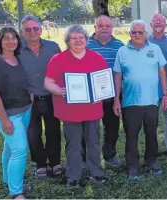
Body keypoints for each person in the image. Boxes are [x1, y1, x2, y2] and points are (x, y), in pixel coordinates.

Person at [44, 25, 108, 188]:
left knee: (93, 142)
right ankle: (73, 176)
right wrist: (57, 90)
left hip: (92, 109)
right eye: (74, 38)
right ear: (68, 41)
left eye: (81, 37)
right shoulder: (58, 59)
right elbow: (47, 82)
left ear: (86, 40)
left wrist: (100, 94)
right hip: (70, 110)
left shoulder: (97, 57)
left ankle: (96, 173)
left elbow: (103, 82)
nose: (78, 41)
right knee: (73, 145)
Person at [113, 20, 167, 180]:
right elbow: (117, 75)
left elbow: (162, 72)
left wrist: (165, 94)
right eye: (134, 32)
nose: (137, 35)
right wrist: (116, 99)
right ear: (130, 34)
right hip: (130, 102)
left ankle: (151, 161)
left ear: (146, 34)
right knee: (131, 136)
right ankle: (132, 167)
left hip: (151, 101)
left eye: (140, 32)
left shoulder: (155, 49)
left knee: (152, 133)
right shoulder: (122, 51)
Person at [0, 27, 32, 199]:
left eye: (14, 38)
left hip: (25, 110)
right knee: (20, 149)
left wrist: (30, 94)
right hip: (9, 114)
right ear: (0, 41)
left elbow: (20, 81)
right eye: (6, 38)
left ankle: (8, 180)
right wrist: (4, 120)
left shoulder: (17, 59)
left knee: (10, 147)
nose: (11, 41)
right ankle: (16, 192)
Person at [18, 15, 63, 179]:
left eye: (35, 28)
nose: (32, 32)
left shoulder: (53, 47)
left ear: (41, 29)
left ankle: (55, 162)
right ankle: (41, 164)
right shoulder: (17, 50)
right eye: (28, 29)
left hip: (52, 97)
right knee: (33, 133)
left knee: (53, 131)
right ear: (22, 32)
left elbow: (62, 68)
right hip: (29, 99)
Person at [86, 15, 125, 167]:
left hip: (112, 93)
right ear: (95, 27)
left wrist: (117, 97)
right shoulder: (86, 44)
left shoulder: (119, 46)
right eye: (100, 25)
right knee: (90, 128)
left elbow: (121, 72)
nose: (104, 28)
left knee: (112, 127)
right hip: (90, 95)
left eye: (107, 26)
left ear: (111, 28)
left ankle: (109, 154)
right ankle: (91, 157)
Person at [148, 13, 167, 157]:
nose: (158, 23)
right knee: (150, 119)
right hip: (151, 88)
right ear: (151, 25)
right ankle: (152, 147)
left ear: (166, 25)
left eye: (161, 21)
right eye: (156, 21)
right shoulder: (145, 41)